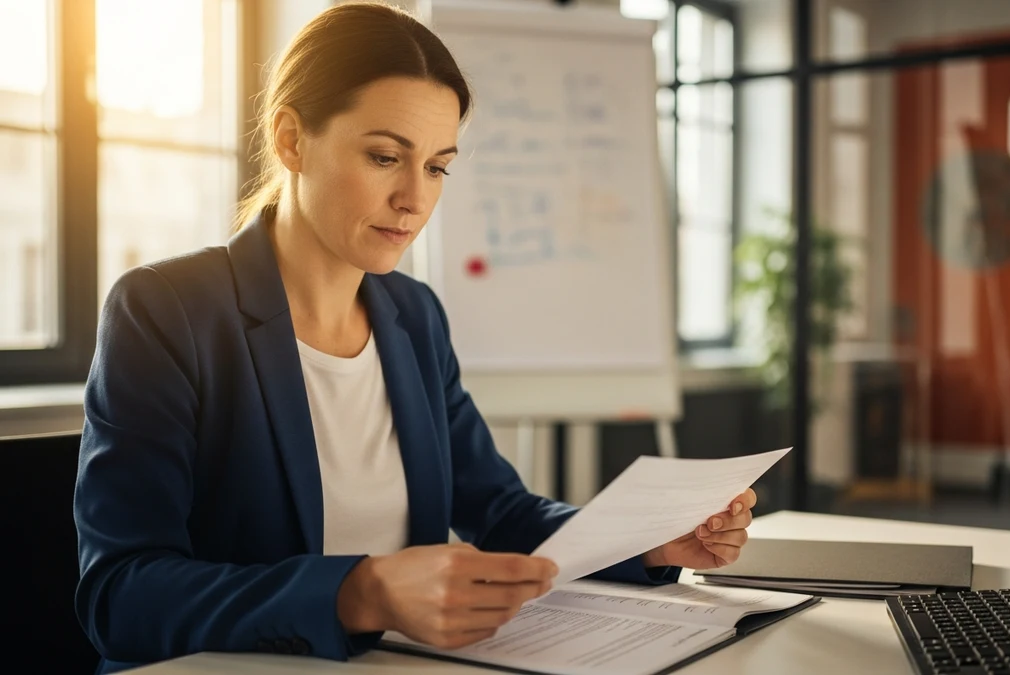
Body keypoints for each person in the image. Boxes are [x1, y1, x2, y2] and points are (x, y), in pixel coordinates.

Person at [73, 3, 757, 673]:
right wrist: (359, 591)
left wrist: (646, 543)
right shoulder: (166, 310)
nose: (415, 198)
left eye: (436, 166)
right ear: (290, 140)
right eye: (383, 156)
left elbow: (499, 509)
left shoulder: (414, 314)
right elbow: (122, 593)